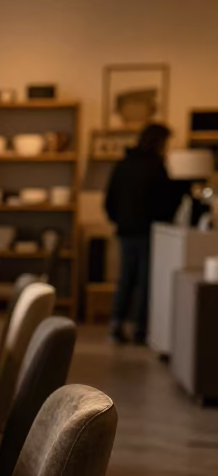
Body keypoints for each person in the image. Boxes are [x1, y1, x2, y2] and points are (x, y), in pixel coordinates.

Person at [104, 122, 179, 343]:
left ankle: (116, 324)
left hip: (126, 230)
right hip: (148, 230)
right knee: (146, 281)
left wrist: (118, 220)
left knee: (126, 278)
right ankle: (141, 329)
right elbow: (166, 200)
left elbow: (110, 200)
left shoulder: (124, 164)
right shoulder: (156, 165)